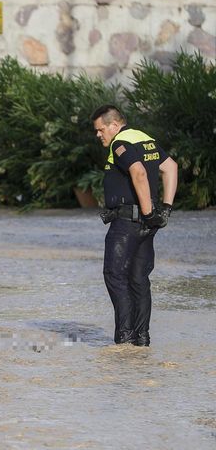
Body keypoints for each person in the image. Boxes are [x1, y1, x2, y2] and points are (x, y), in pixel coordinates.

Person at [91, 105, 178, 346]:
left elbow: (138, 172)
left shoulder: (120, 144)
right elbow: (171, 167)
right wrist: (166, 209)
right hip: (147, 224)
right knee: (139, 278)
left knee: (114, 275)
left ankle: (124, 337)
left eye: (100, 130)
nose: (99, 135)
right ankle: (142, 339)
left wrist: (150, 212)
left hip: (128, 222)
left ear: (114, 125)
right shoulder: (146, 140)